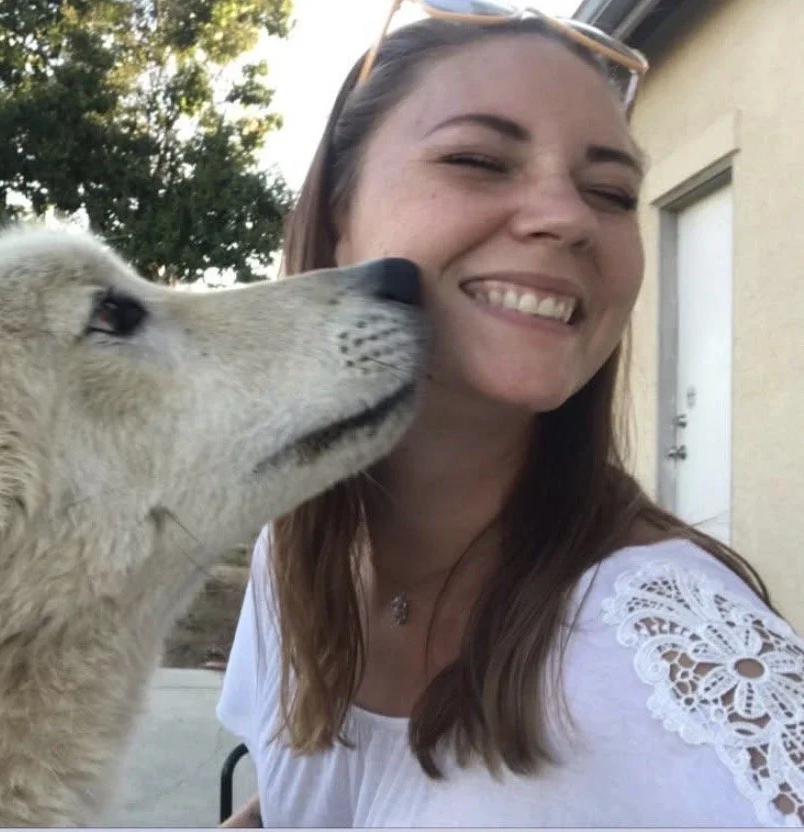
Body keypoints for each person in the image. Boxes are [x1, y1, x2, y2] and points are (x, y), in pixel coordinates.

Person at [216, 1, 804, 827]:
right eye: (477, 160)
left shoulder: (672, 645)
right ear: (336, 222)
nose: (568, 218)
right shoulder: (295, 555)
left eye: (609, 190)